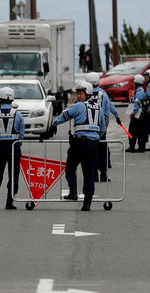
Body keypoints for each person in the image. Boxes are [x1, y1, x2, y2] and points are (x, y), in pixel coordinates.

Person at [52, 81, 101, 211]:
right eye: (78, 94)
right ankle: (87, 203)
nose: (78, 96)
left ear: (88, 94)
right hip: (92, 144)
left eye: (81, 93)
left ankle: (73, 192)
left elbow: (65, 115)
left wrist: (54, 124)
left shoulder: (79, 106)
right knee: (89, 174)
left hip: (79, 144)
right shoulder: (98, 108)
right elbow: (102, 126)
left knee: (69, 167)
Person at [0, 87, 25, 210]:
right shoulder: (18, 114)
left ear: (0, 99)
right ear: (12, 100)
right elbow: (22, 134)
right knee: (13, 175)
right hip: (14, 148)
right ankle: (9, 202)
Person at [87, 71, 121, 183]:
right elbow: (109, 108)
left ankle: (94, 174)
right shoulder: (103, 94)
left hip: (89, 128)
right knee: (102, 152)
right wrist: (116, 116)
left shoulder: (86, 94)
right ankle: (103, 174)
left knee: (92, 152)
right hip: (101, 128)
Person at [127, 74, 148, 153]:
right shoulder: (140, 91)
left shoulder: (139, 92)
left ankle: (134, 147)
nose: (133, 84)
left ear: (137, 83)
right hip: (140, 115)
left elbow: (136, 104)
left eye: (134, 83)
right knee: (140, 131)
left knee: (133, 130)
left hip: (138, 115)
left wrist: (133, 113)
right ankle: (140, 147)